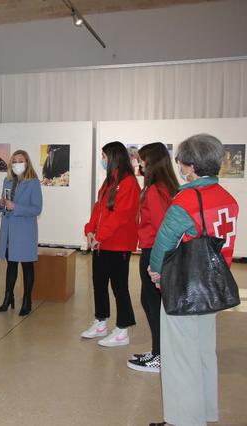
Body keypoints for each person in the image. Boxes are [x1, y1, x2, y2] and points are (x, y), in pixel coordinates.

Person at [148, 134, 239, 426]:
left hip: (185, 284)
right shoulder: (227, 198)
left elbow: (164, 241)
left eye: (183, 165)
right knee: (203, 352)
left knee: (180, 356)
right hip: (213, 284)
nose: (181, 170)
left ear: (191, 166)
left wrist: (156, 272)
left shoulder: (187, 199)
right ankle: (205, 411)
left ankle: (184, 420)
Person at [126, 143, 179, 373]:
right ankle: (159, 351)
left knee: (152, 303)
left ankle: (160, 356)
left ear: (151, 163)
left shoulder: (156, 190)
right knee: (150, 302)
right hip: (154, 250)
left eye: (142, 161)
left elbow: (160, 228)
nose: (139, 165)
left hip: (154, 251)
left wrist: (155, 262)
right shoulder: (163, 187)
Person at [82, 141, 139, 346]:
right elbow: (99, 208)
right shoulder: (108, 182)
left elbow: (120, 216)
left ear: (114, 157)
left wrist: (100, 236)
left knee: (119, 287)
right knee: (99, 283)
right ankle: (100, 321)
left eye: (104, 156)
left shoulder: (129, 183)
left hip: (118, 244)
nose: (103, 160)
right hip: (102, 243)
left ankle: (123, 329)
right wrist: (89, 230)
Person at [0, 150, 43, 316]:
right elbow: (3, 207)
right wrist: (1, 204)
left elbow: (37, 209)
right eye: (14, 160)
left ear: (27, 162)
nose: (16, 163)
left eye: (20, 160)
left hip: (25, 231)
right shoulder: (7, 181)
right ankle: (8, 298)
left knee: (27, 265)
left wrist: (16, 207)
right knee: (11, 264)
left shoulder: (33, 183)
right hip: (8, 230)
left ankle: (27, 300)